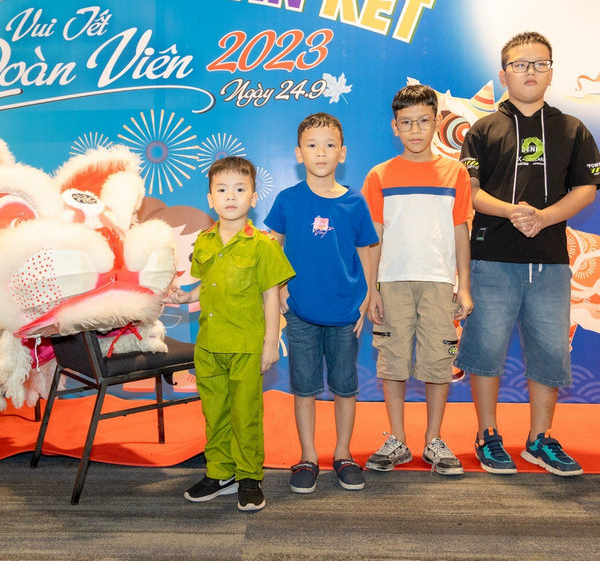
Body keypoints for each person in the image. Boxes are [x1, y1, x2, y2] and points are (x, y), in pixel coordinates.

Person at [456, 31, 600, 477]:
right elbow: (469, 189)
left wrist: (544, 218)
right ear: (503, 74)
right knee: (485, 350)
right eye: (520, 65)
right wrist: (512, 211)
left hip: (550, 262)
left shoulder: (572, 128)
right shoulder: (483, 129)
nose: (530, 72)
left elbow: (586, 189)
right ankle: (487, 434)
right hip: (491, 258)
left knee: (549, 352)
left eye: (540, 64)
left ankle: (540, 438)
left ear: (551, 72)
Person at [168, 156, 295, 512]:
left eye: (240, 189)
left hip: (245, 347)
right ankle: (219, 473)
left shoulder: (263, 245)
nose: (231, 196)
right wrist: (186, 296)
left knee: (245, 414)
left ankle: (249, 477)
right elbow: (206, 283)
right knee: (215, 413)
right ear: (210, 198)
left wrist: (270, 344)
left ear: (253, 197)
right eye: (222, 190)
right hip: (209, 345)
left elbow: (271, 296)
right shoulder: (205, 240)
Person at [361, 84, 474, 475]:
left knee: (438, 362)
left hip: (439, 283)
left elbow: (461, 231)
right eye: (406, 122)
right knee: (392, 361)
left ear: (437, 122)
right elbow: (372, 237)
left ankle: (433, 440)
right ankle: (396, 439)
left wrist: (464, 285)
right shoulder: (379, 175)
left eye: (423, 121)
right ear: (394, 127)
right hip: (391, 283)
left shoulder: (455, 173)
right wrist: (371, 289)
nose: (415, 130)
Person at [264, 113, 379, 493]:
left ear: (342, 153)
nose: (321, 152)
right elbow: (271, 246)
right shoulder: (288, 200)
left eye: (330, 145)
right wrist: (281, 287)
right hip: (301, 313)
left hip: (345, 313)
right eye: (312, 145)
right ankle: (308, 456)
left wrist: (366, 297)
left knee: (346, 387)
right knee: (304, 388)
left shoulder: (354, 202)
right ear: (299, 154)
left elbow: (366, 250)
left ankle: (343, 454)